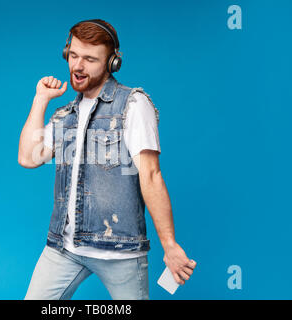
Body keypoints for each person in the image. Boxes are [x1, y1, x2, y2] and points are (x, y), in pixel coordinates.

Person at [18, 19, 196, 300]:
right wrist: (41, 99)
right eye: (74, 55)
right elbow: (28, 158)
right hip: (64, 249)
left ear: (112, 62)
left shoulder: (133, 105)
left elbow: (151, 176)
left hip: (121, 251)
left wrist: (170, 245)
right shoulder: (66, 114)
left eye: (90, 59)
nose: (78, 66)